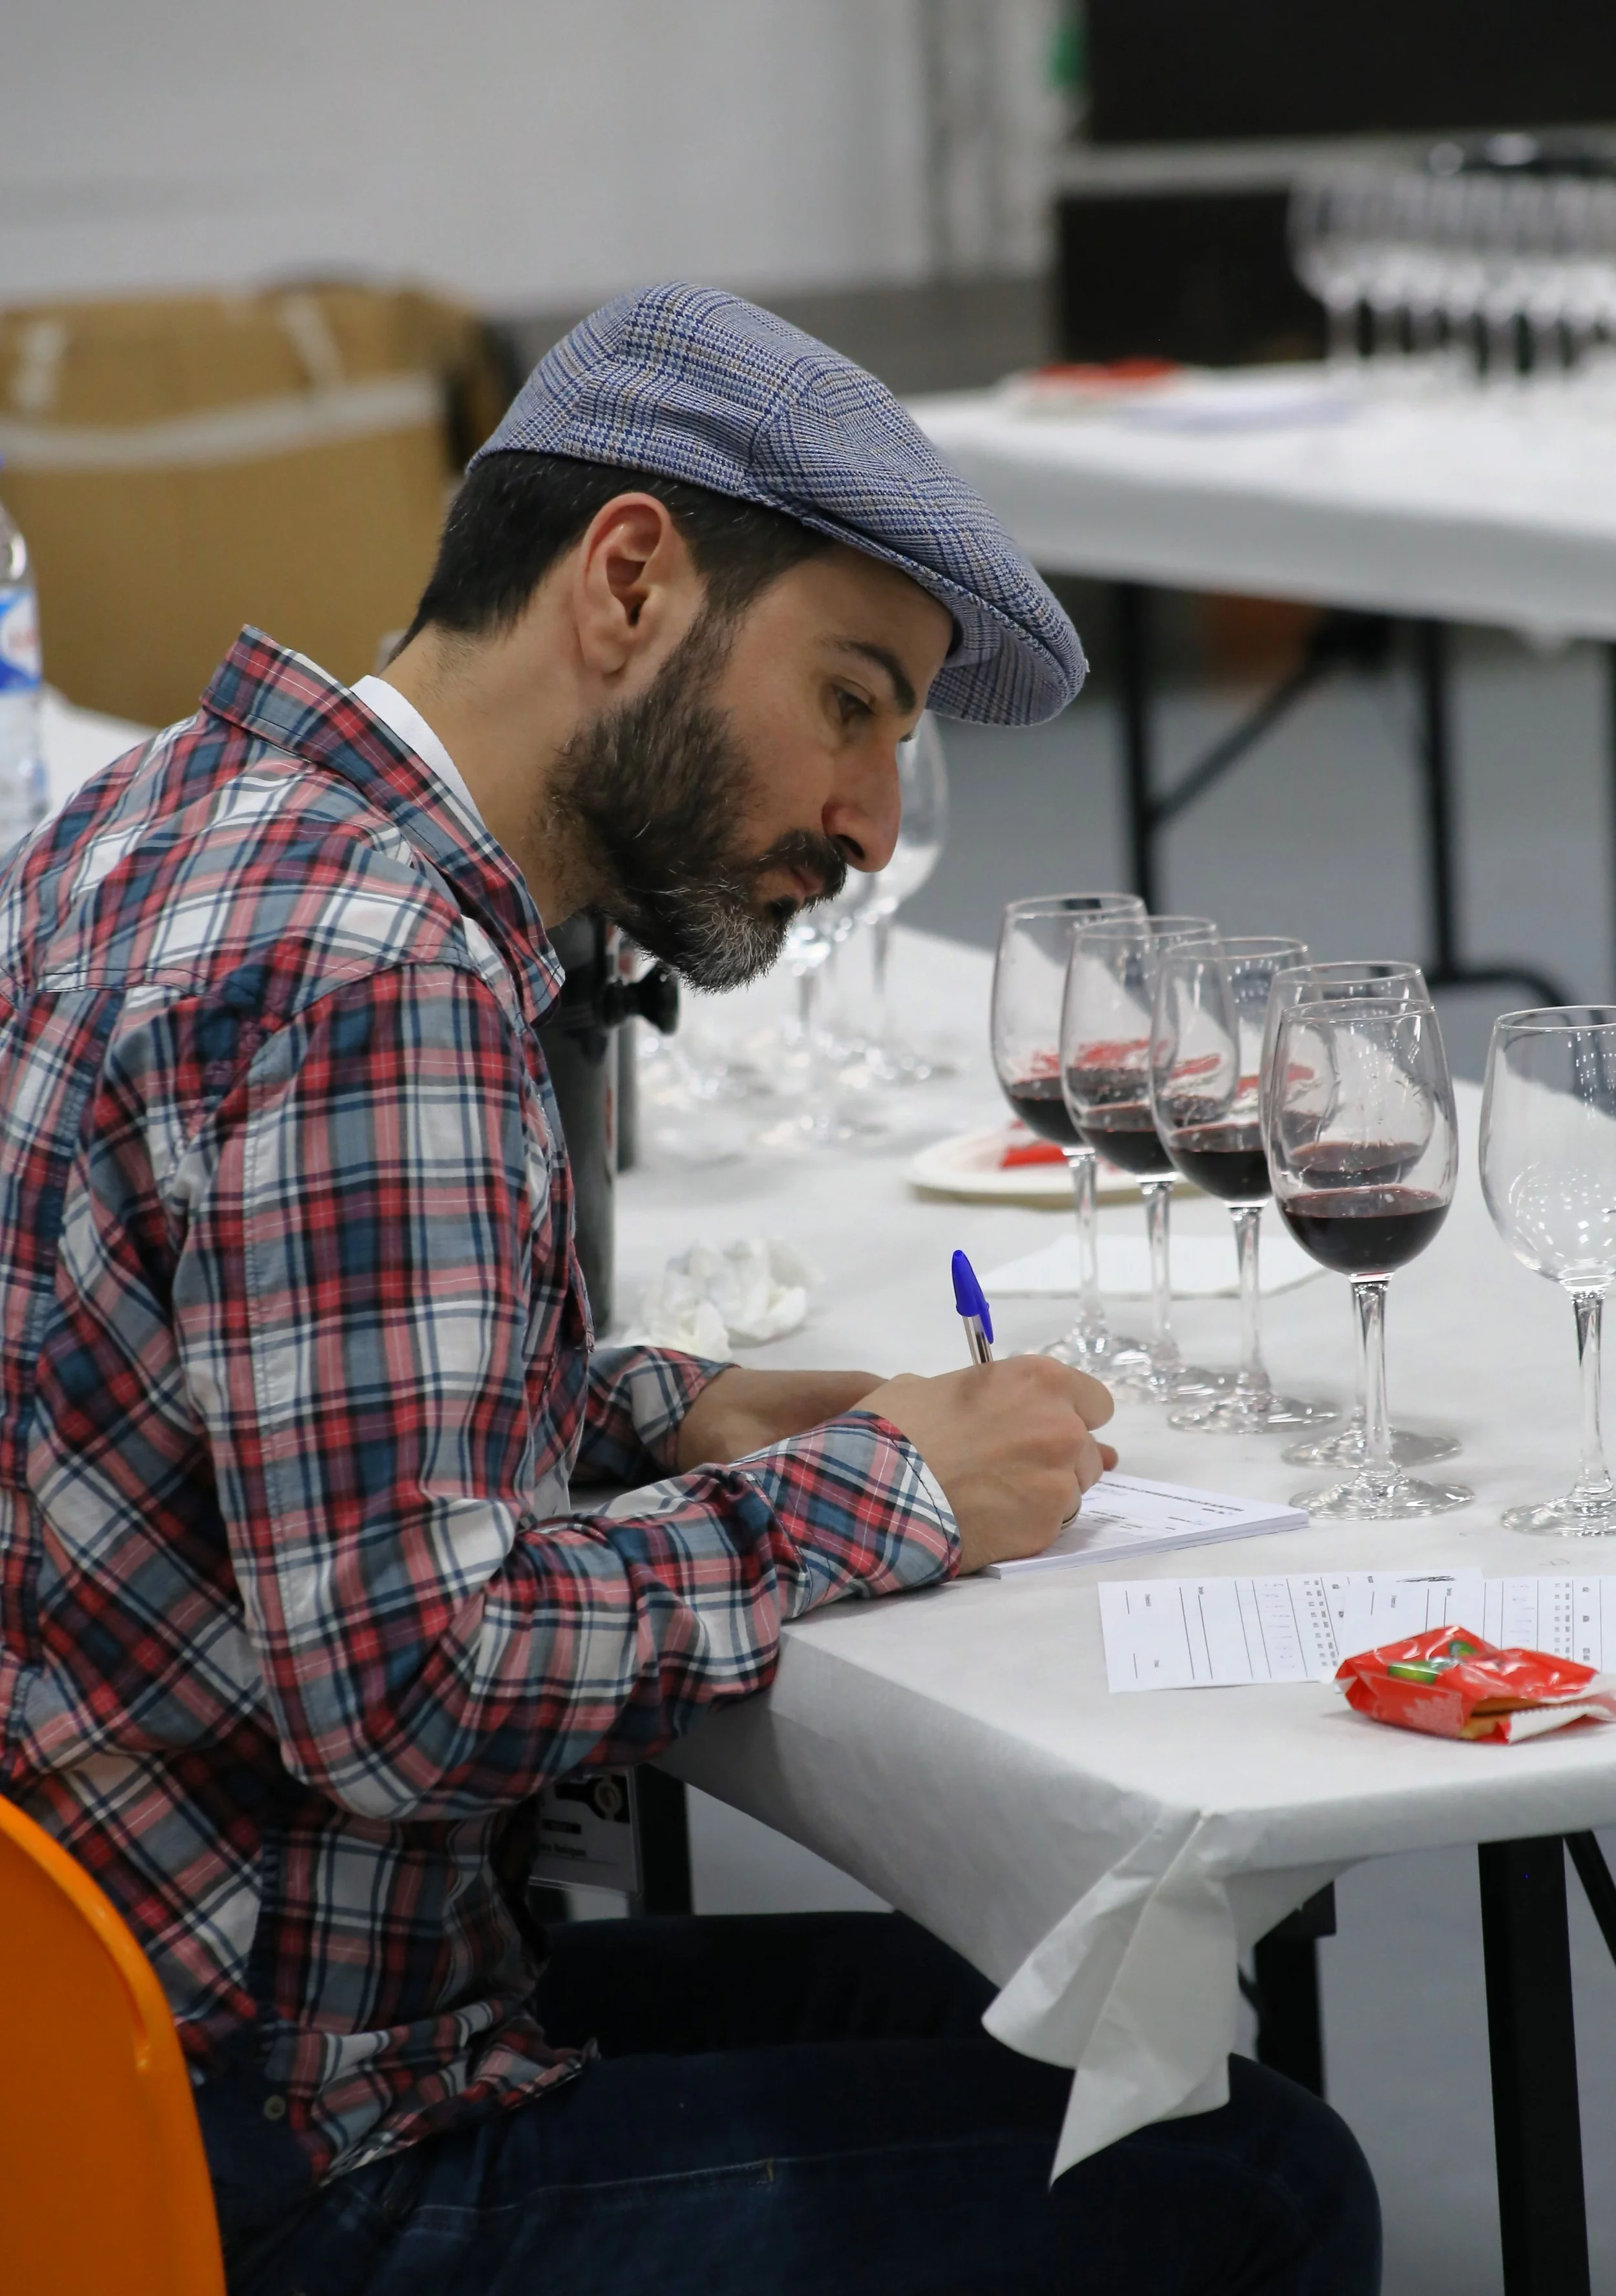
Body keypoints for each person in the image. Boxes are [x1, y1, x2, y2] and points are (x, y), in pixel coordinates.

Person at [0, 284, 1378, 2294]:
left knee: (1049, 2029)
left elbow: (219, 1396)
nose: (872, 820)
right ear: (629, 579)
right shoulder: (377, 971)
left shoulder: (164, 817)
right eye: (851, 700)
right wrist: (888, 1491)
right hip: (299, 2141)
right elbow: (412, 1685)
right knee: (1252, 2179)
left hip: (101, 2039)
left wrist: (661, 1410)